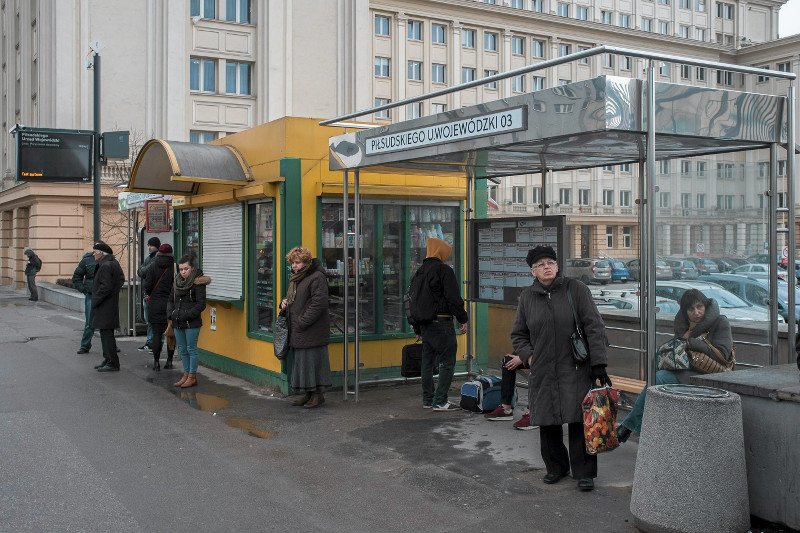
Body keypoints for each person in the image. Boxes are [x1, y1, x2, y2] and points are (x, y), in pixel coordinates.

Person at [511, 245, 610, 492]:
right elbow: (519, 335)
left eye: (551, 262)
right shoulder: (527, 298)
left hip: (575, 367)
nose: (547, 267)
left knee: (579, 421)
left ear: (557, 266)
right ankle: (556, 467)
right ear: (533, 271)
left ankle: (584, 473)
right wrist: (529, 357)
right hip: (543, 369)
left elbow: (594, 327)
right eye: (541, 264)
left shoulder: (576, 290)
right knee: (548, 421)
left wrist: (598, 364)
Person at [617, 288, 733, 442]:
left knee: (659, 378)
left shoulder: (720, 322)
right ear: (685, 311)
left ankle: (629, 426)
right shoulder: (682, 326)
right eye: (691, 309)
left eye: (700, 307)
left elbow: (724, 355)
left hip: (710, 375)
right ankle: (643, 429)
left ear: (706, 305)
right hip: (686, 372)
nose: (697, 312)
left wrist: (694, 343)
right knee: (656, 376)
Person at [411, 237, 468, 411]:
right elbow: (453, 299)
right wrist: (463, 319)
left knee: (427, 362)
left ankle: (428, 399)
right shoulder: (444, 271)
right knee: (447, 361)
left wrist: (417, 328)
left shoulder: (419, 273)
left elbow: (412, 302)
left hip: (425, 325)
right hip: (442, 324)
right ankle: (440, 400)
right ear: (440, 252)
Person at [280, 246, 331, 409]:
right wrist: (284, 302)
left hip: (311, 328)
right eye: (292, 263)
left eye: (297, 262)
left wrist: (302, 321)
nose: (294, 266)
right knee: (303, 362)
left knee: (313, 361)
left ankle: (317, 395)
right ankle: (308, 394)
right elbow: (295, 299)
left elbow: (319, 303)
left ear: (306, 262)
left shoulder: (317, 277)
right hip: (300, 328)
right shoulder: (297, 278)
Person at [168, 253, 210, 388]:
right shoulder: (176, 282)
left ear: (192, 268)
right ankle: (185, 374)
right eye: (181, 269)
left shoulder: (198, 282)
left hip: (191, 322)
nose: (183, 272)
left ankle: (192, 376)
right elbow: (170, 300)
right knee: (182, 349)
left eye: (186, 269)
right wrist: (171, 314)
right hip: (177, 321)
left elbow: (201, 304)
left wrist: (186, 314)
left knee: (191, 349)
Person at [91, 241, 125, 372]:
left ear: (101, 253)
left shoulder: (106, 265)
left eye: (95, 252)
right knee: (106, 333)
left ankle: (112, 362)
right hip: (109, 304)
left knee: (106, 335)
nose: (93, 254)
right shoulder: (113, 263)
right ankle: (108, 359)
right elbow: (120, 280)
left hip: (105, 305)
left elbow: (105, 287)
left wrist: (96, 299)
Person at [143, 243, 176, 371]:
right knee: (170, 333)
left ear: (159, 254)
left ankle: (156, 362)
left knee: (157, 334)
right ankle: (169, 361)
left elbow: (148, 286)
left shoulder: (152, 266)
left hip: (155, 304)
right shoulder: (175, 267)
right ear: (171, 254)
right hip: (171, 304)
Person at [483, 354, 535, 430]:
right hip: (530, 354)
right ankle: (506, 409)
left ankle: (534, 414)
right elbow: (521, 342)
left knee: (536, 363)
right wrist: (522, 356)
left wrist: (524, 357)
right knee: (508, 360)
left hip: (548, 355)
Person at [137, 236, 161, 351]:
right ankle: (150, 342)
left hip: (153, 294)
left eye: (151, 245)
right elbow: (140, 271)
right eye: (148, 245)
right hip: (147, 293)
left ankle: (153, 343)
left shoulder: (158, 258)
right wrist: (143, 270)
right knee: (149, 320)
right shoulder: (149, 257)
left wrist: (144, 270)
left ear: (156, 246)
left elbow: (146, 270)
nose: (149, 247)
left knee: (152, 320)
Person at [72, 249, 97, 354]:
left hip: (105, 296)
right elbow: (76, 277)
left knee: (108, 323)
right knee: (89, 322)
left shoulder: (109, 260)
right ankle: (85, 345)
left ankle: (111, 345)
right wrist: (83, 290)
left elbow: (118, 278)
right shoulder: (86, 260)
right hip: (91, 295)